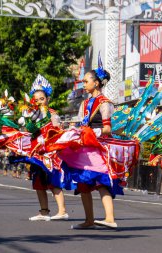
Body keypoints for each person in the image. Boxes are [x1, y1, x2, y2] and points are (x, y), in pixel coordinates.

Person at [68, 66, 118, 229]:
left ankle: (110, 218)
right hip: (85, 149)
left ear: (96, 83)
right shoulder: (85, 103)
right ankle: (89, 220)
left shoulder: (105, 103)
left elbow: (108, 129)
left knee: (101, 181)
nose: (83, 84)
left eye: (86, 81)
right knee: (83, 184)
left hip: (99, 148)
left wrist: (93, 132)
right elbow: (82, 124)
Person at [26, 75, 70, 221]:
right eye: (36, 99)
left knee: (54, 181)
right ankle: (44, 211)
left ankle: (62, 211)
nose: (39, 102)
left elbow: (58, 134)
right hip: (36, 153)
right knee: (38, 182)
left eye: (42, 99)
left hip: (50, 153)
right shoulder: (32, 116)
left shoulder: (52, 114)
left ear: (47, 99)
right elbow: (29, 131)